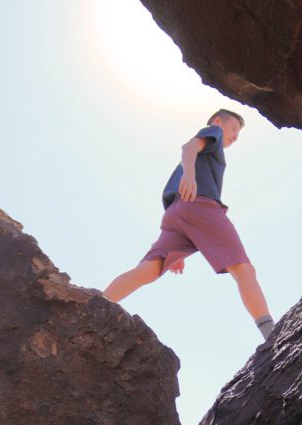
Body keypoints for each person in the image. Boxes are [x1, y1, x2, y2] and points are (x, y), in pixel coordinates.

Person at [103, 109, 275, 340]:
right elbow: (188, 147)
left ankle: (98, 303)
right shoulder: (212, 134)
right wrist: (190, 175)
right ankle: (271, 334)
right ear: (218, 122)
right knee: (243, 268)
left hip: (177, 213)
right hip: (200, 205)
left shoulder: (211, 152)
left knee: (149, 270)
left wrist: (181, 247)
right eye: (233, 129)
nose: (235, 136)